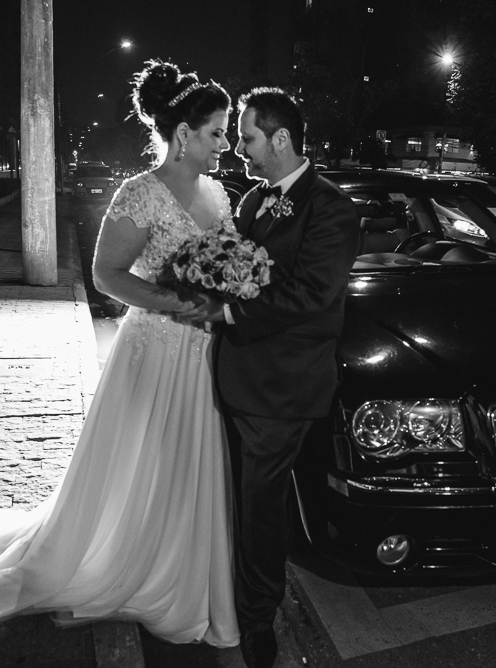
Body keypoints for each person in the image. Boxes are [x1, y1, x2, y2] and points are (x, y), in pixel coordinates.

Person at [0, 59, 240, 647]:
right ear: (183, 134)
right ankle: (121, 558)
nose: (225, 144)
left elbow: (223, 263)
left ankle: (182, 560)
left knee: (187, 461)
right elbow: (105, 275)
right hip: (152, 349)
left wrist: (224, 288)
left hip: (201, 354)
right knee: (139, 461)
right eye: (218, 132)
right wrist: (175, 301)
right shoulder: (139, 194)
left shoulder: (218, 193)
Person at [182, 87, 360, 668]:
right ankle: (230, 586)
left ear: (280, 139)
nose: (240, 151)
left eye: (248, 138)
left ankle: (257, 618)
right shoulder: (257, 199)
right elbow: (239, 267)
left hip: (283, 388)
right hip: (236, 377)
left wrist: (228, 310)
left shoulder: (332, 208)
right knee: (236, 495)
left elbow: (311, 295)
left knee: (262, 507)